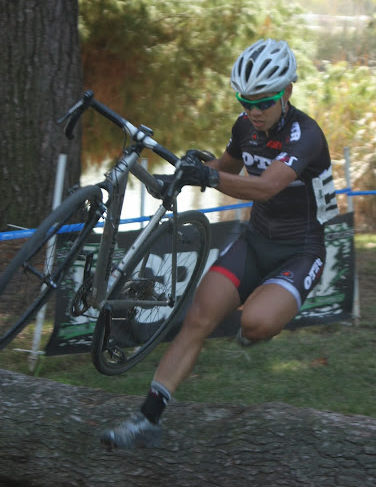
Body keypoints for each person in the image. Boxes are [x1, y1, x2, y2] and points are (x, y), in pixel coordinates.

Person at [100, 38, 338, 450]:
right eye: (245, 102)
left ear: (287, 92)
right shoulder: (245, 128)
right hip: (255, 240)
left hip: (301, 250)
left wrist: (209, 178)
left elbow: (265, 187)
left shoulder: (306, 135)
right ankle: (147, 419)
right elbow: (224, 167)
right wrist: (185, 174)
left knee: (255, 324)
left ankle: (260, 319)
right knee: (197, 318)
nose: (254, 112)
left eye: (264, 102)